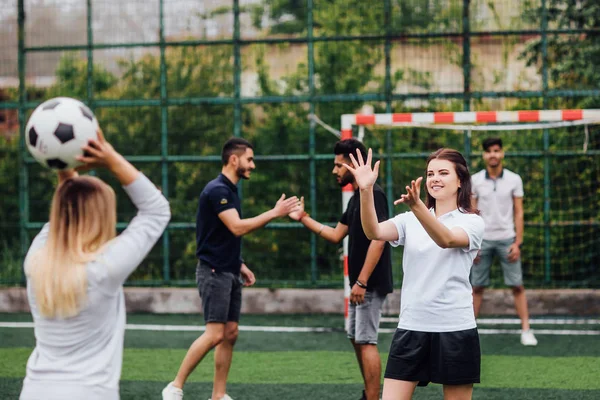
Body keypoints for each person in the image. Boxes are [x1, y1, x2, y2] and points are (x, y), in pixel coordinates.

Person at [20, 130, 171, 400]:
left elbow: (65, 210)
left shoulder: (36, 260)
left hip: (34, 392)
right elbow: (157, 210)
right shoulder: (104, 268)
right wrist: (110, 157)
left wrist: (64, 166)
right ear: (102, 218)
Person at [162, 137, 300, 400]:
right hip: (213, 271)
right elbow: (237, 227)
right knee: (215, 334)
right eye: (249, 159)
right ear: (234, 159)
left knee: (230, 333)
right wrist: (274, 212)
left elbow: (221, 235)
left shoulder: (230, 190)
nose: (253, 165)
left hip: (229, 270)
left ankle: (219, 395)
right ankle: (175, 386)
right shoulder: (217, 191)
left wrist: (240, 264)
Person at [344, 147, 485, 400]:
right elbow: (373, 231)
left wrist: (419, 207)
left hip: (456, 328)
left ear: (460, 180)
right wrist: (365, 190)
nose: (435, 178)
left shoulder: (472, 222)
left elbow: (446, 239)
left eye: (443, 173)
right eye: (431, 173)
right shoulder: (410, 219)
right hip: (411, 327)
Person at [288, 138, 393, 400]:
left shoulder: (374, 194)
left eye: (338, 165)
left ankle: (373, 397)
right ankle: (369, 393)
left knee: (366, 340)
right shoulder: (355, 198)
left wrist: (362, 281)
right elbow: (336, 235)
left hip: (368, 282)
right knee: (355, 337)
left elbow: (380, 239)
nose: (334, 171)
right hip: (359, 283)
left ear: (352, 164)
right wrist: (304, 218)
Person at [470, 137, 537, 346]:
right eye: (489, 151)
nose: (493, 155)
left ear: (502, 153)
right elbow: (472, 213)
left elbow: (519, 212)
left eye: (497, 150)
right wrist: (474, 243)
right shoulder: (475, 180)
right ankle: (469, 332)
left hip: (507, 239)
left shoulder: (514, 179)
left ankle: (526, 330)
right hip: (483, 241)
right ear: (483, 155)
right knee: (476, 287)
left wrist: (518, 242)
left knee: (517, 285)